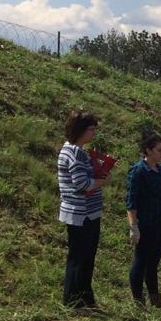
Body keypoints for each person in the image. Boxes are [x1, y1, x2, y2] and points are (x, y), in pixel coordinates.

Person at [56, 109, 109, 309]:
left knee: (87, 257)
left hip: (87, 213)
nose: (94, 133)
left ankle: (85, 297)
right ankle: (73, 301)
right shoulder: (74, 152)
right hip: (80, 214)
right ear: (81, 129)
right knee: (79, 258)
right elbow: (82, 183)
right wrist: (101, 181)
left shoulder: (75, 150)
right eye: (92, 129)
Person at [126, 129, 161, 308]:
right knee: (141, 260)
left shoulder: (160, 170)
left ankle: (155, 299)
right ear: (148, 150)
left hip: (159, 223)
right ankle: (138, 300)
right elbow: (131, 200)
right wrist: (133, 226)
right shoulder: (138, 171)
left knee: (153, 262)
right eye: (159, 150)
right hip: (145, 223)